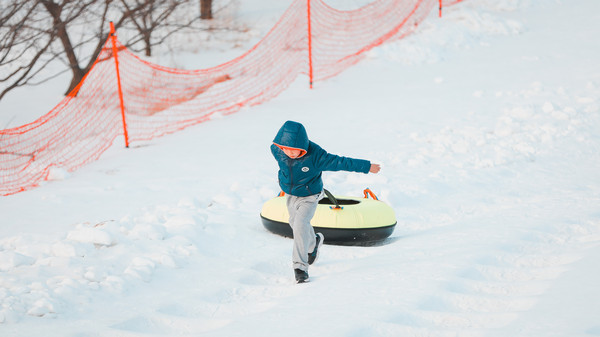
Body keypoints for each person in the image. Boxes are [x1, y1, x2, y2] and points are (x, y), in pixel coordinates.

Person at [270, 120, 381, 283]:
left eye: (295, 151)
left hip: (310, 195)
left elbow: (341, 162)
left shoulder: (316, 157)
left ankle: (300, 267)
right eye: (287, 150)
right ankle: (314, 242)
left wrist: (366, 166)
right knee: (295, 223)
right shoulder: (276, 150)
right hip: (290, 194)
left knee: (300, 224)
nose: (291, 154)